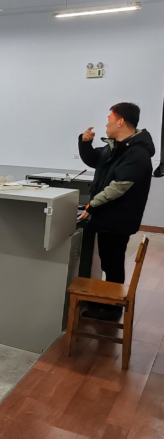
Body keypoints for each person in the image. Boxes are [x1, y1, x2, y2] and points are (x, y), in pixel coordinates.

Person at [78, 103, 155, 321]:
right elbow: (95, 161)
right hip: (108, 217)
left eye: (109, 119)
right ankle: (107, 300)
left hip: (118, 219)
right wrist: (85, 143)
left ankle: (112, 309)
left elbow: (119, 186)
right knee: (108, 261)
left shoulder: (137, 152)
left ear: (120, 121)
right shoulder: (115, 147)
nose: (106, 124)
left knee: (112, 262)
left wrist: (91, 205)